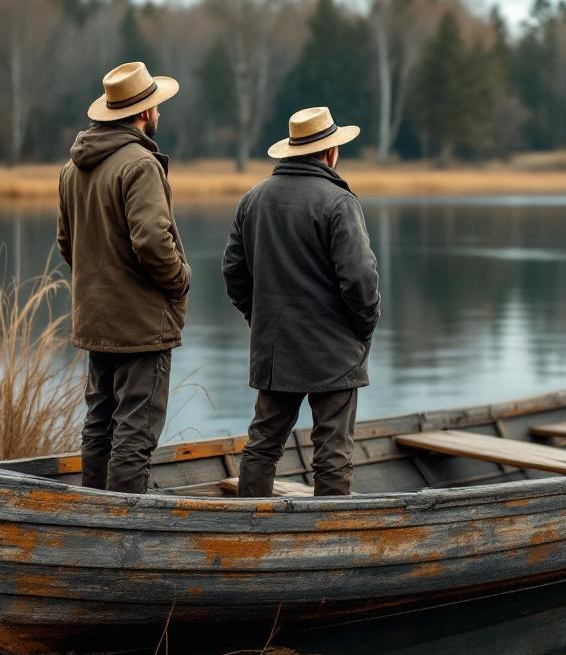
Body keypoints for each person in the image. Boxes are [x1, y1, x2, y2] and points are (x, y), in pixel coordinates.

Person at [222, 106, 380, 497]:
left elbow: (233, 273)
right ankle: (329, 541)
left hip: (275, 349)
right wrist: (363, 328)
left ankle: (248, 530)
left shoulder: (252, 199)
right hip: (334, 350)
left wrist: (260, 319)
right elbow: (360, 279)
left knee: (262, 445)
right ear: (330, 154)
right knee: (333, 453)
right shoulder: (339, 202)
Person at [56, 61, 190, 494]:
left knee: (99, 422)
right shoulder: (140, 165)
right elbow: (153, 239)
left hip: (96, 321)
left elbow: (67, 243)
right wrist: (178, 280)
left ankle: (94, 514)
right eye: (156, 106)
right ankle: (123, 529)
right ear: (145, 112)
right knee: (137, 429)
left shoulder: (72, 169)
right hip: (141, 325)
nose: (158, 114)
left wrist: (101, 286)